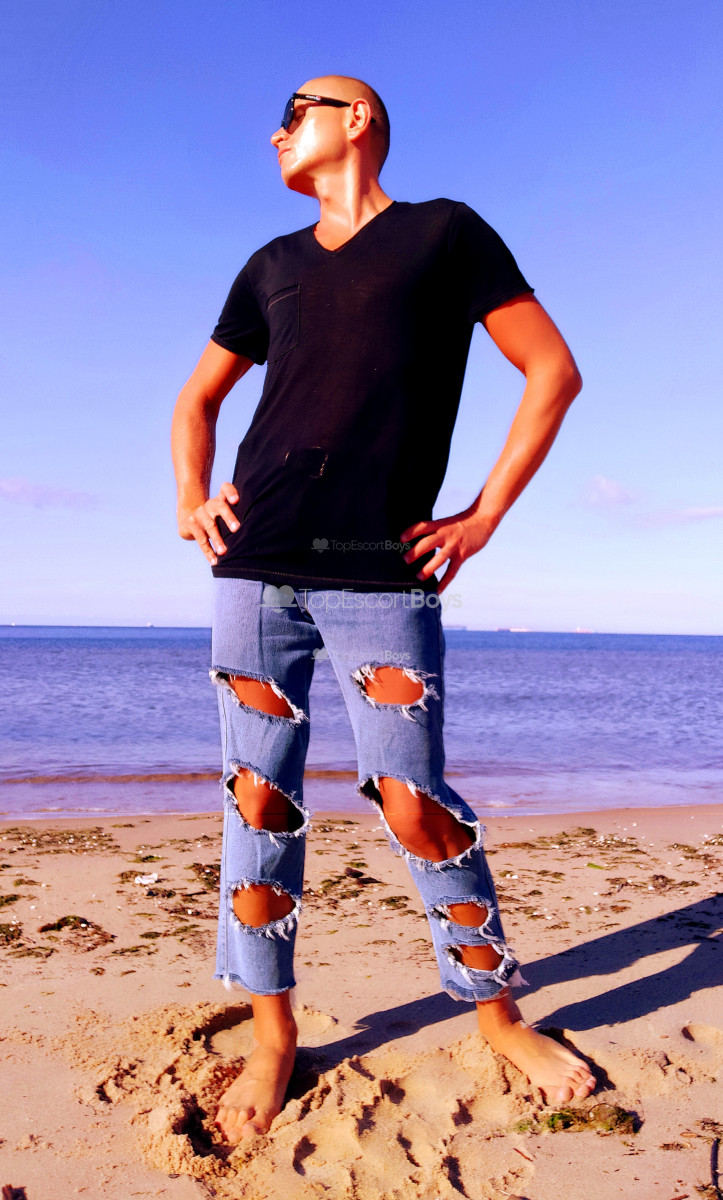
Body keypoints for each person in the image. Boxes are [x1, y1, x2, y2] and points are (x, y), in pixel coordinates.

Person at [171, 74, 594, 1146]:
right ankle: (273, 1034)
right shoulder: (270, 265)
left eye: (295, 110)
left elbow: (552, 371)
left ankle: (496, 1015)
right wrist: (191, 497)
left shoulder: (444, 234)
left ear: (354, 118)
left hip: (381, 571)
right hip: (256, 567)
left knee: (413, 802)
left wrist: (483, 516)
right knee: (258, 803)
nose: (275, 130)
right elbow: (199, 398)